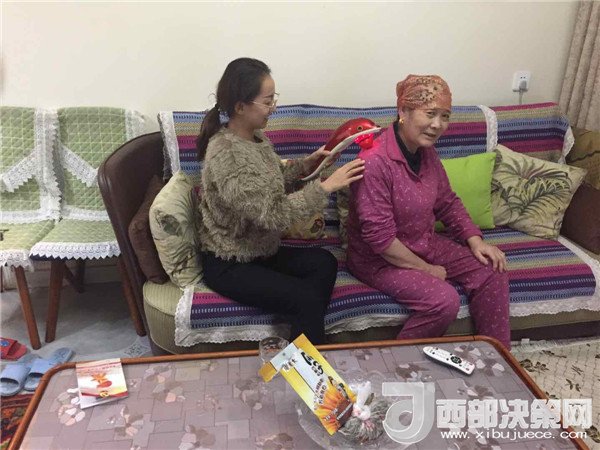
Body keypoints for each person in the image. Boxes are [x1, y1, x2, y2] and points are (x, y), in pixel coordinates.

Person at [196, 57, 365, 345]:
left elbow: (273, 181)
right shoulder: (227, 154)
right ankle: (307, 354)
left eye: (274, 99)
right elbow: (272, 213)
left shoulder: (256, 139)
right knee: (306, 299)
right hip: (231, 262)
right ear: (240, 106)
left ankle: (301, 338)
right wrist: (325, 187)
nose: (273, 107)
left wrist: (309, 163)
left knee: (324, 262)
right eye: (267, 101)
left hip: (261, 251)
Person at [346, 74, 511, 349]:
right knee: (443, 301)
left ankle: (497, 356)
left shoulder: (426, 152)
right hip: (379, 259)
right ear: (404, 111)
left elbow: (447, 202)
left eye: (445, 116)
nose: (437, 125)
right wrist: (427, 270)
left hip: (424, 242)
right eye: (430, 114)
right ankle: (397, 363)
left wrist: (476, 241)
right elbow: (380, 240)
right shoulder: (374, 161)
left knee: (492, 270)